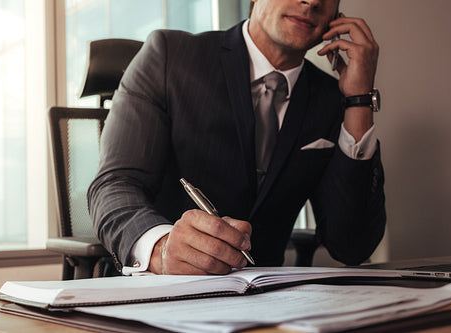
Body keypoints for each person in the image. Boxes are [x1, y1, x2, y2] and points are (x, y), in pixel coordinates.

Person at [87, 0, 386, 275]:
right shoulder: (169, 56)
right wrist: (161, 248)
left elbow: (352, 247)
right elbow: (114, 186)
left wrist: (359, 102)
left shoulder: (332, 99)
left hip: (268, 299)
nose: (312, 1)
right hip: (161, 290)